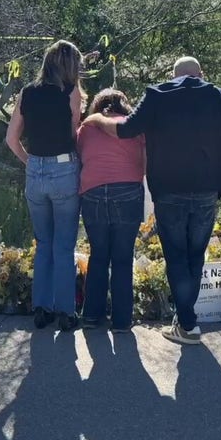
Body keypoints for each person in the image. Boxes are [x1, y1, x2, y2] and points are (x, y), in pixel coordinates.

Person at [83, 56, 221, 345]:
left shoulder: (157, 95)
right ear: (201, 73)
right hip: (207, 190)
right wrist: (216, 165)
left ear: (172, 75)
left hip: (169, 190)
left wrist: (96, 118)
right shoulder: (217, 96)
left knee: (176, 256)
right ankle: (186, 321)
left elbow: (126, 129)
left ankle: (187, 323)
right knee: (196, 255)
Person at [6, 40, 85, 332]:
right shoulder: (70, 92)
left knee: (44, 244)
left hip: (36, 170)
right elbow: (74, 131)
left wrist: (31, 163)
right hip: (64, 168)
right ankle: (66, 312)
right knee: (64, 245)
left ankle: (41, 307)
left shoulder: (27, 93)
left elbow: (11, 139)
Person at [77, 89, 146, 332]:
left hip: (93, 191)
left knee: (98, 255)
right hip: (127, 191)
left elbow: (80, 157)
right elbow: (145, 162)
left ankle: (92, 317)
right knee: (123, 257)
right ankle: (121, 321)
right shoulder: (134, 127)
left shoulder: (87, 128)